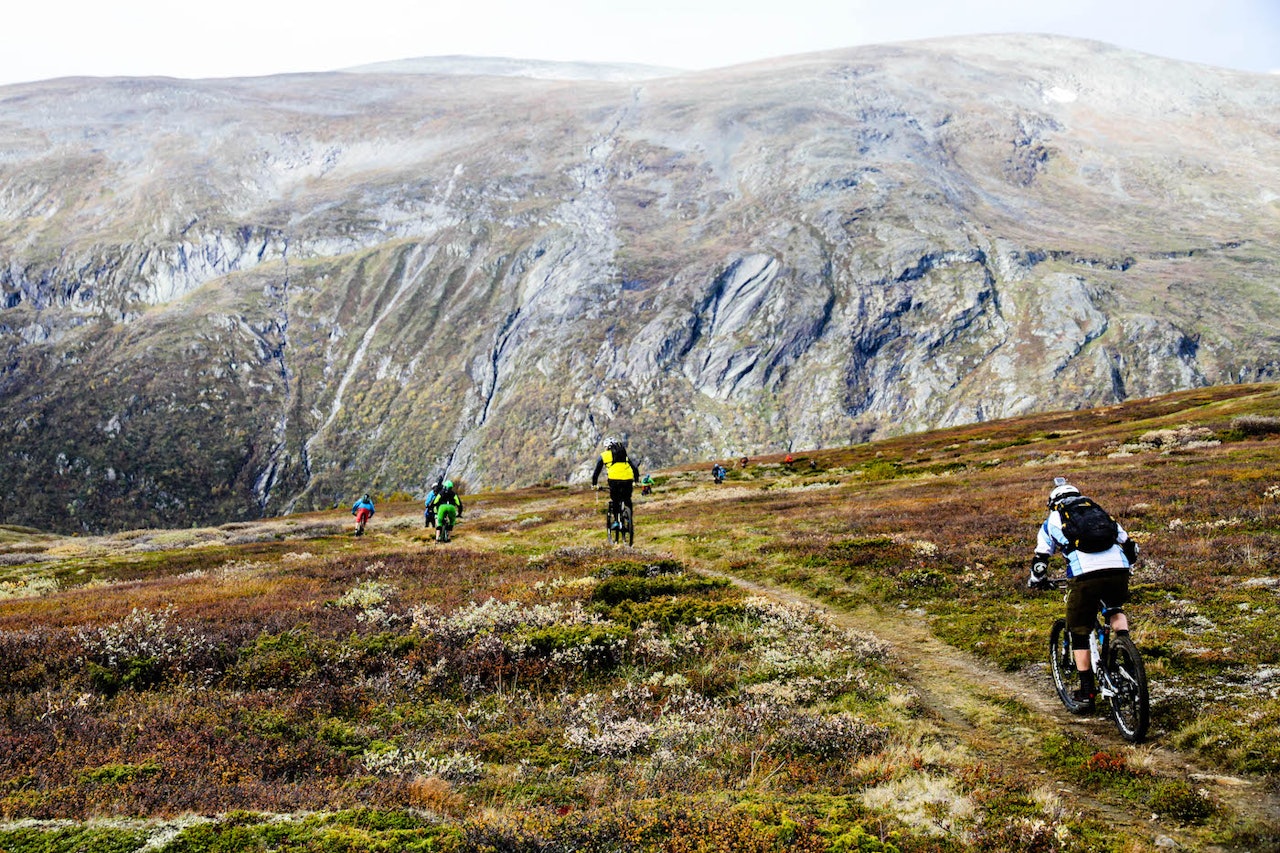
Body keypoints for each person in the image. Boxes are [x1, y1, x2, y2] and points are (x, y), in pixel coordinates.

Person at [1028, 477, 1138, 706]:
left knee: (1078, 631)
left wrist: (1037, 580)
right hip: (1119, 570)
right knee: (1114, 608)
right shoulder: (1099, 513)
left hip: (1085, 574)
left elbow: (1040, 560)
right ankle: (1128, 657)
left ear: (1053, 503)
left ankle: (1087, 691)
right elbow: (1130, 546)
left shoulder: (1052, 520)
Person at [592, 437, 640, 527]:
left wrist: (594, 484)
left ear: (606, 447)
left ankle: (617, 521)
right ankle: (629, 520)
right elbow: (634, 468)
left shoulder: (604, 455)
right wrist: (636, 481)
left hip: (614, 480)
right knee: (627, 499)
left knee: (615, 500)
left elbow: (596, 472)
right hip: (628, 479)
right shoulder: (623, 455)